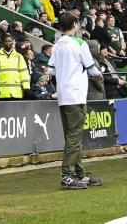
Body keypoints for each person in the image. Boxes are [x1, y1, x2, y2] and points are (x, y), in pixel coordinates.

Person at [48, 11, 103, 190]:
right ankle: (67, 175)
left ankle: (79, 173)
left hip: (63, 95)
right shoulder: (80, 43)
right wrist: (98, 75)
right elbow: (92, 69)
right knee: (74, 137)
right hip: (76, 95)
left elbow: (51, 70)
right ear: (75, 24)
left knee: (72, 136)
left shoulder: (57, 45)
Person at [0, 34, 29, 101]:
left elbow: (24, 73)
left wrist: (26, 87)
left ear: (12, 42)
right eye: (6, 41)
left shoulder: (19, 56)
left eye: (10, 41)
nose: (8, 43)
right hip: (2, 92)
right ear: (2, 43)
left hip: (16, 92)